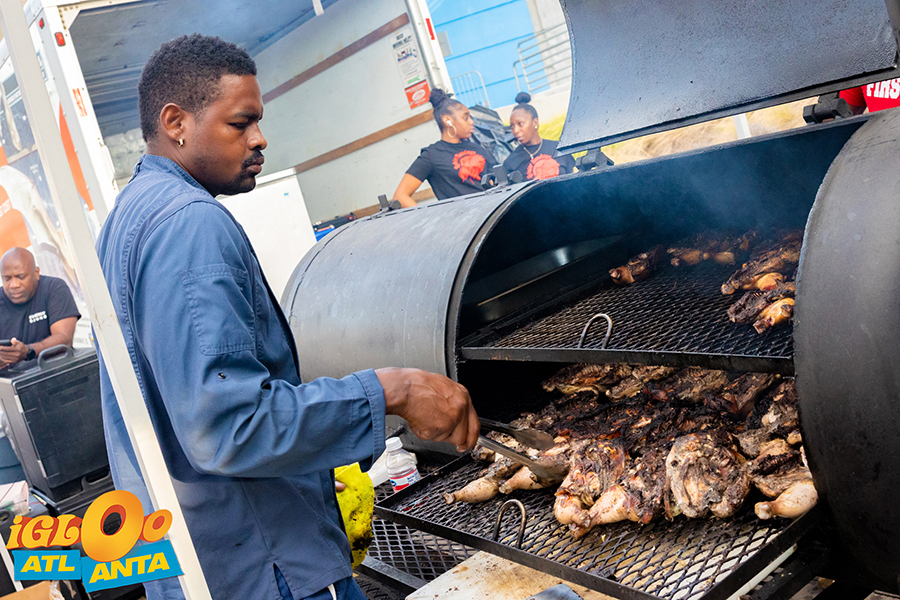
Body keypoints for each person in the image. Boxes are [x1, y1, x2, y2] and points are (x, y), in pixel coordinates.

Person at [95, 35, 479, 600]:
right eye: (241, 123)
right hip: (266, 567)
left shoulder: (128, 217)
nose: (260, 138)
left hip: (194, 559)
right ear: (176, 122)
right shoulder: (190, 224)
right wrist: (391, 390)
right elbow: (229, 428)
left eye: (258, 121)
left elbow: (186, 405)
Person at [392, 88, 496, 206]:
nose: (471, 122)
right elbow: (400, 197)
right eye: (465, 118)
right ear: (447, 120)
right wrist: (431, 216)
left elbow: (497, 182)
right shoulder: (432, 155)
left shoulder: (478, 149)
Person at [0, 247, 80, 369]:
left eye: (21, 277)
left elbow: (64, 339)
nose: (14, 285)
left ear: (36, 273)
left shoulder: (54, 288)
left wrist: (28, 351)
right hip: (10, 378)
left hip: (55, 371)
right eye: (7, 279)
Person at [502, 92, 575, 181]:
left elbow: (575, 178)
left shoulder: (559, 148)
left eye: (520, 124)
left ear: (535, 122)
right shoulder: (510, 162)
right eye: (512, 126)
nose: (515, 130)